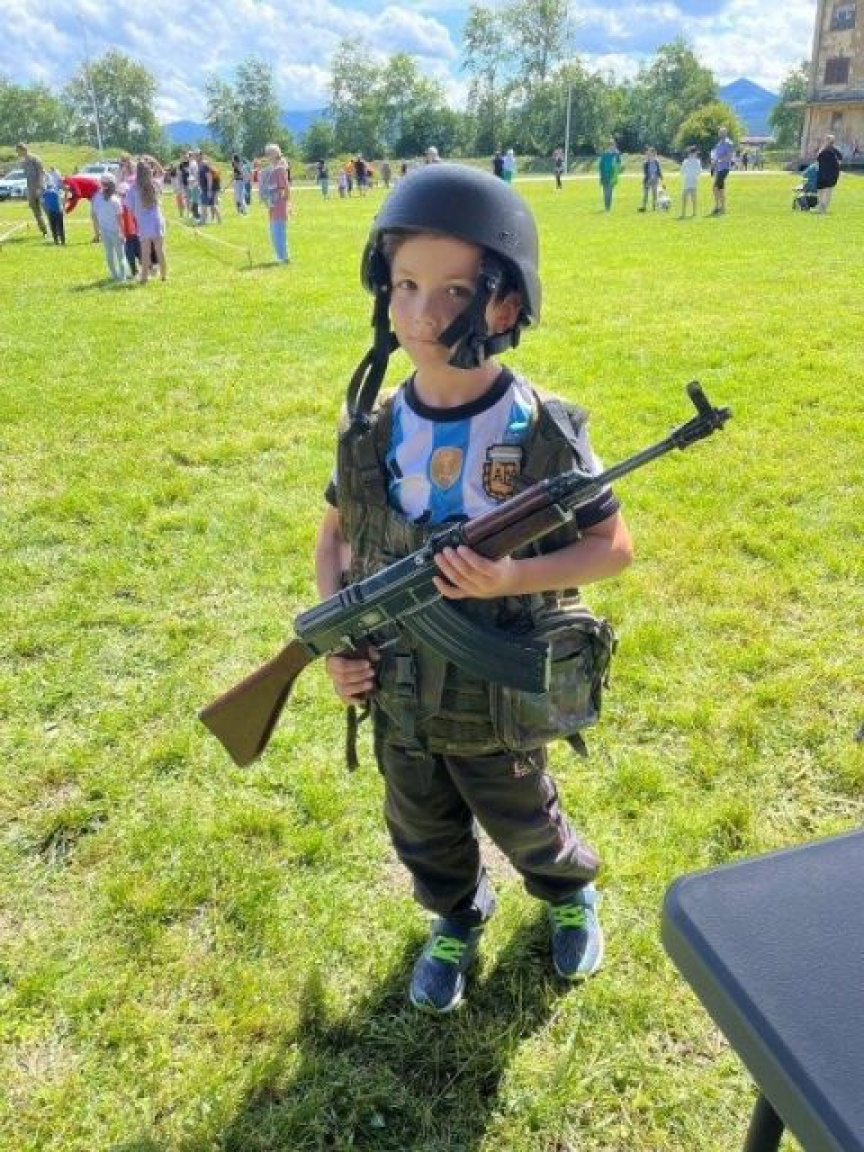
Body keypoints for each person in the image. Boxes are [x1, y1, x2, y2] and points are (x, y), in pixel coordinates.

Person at [316, 165, 633, 1014]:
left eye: (454, 289)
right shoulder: (376, 426)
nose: (422, 312)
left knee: (523, 811)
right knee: (420, 823)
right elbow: (337, 536)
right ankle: (455, 916)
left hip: (499, 692)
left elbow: (612, 547)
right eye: (405, 284)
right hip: (398, 688)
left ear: (504, 304)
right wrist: (339, 647)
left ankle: (568, 895)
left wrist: (512, 575)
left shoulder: (540, 427)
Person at [126, 160, 167, 282]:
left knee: (145, 252)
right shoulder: (155, 183)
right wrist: (153, 161)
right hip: (157, 220)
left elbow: (129, 208)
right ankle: (164, 276)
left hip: (143, 223)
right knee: (160, 250)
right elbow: (162, 173)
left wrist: (134, 221)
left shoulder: (133, 188)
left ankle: (144, 278)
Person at [90, 173, 126, 282]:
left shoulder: (97, 197)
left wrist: (97, 232)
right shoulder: (116, 200)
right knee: (120, 255)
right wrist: (123, 233)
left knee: (109, 254)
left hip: (104, 230)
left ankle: (114, 275)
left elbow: (94, 215)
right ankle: (122, 277)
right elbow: (120, 219)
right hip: (116, 231)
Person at [259, 143, 291, 263]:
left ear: (274, 154)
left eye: (269, 153)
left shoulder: (280, 169)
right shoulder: (272, 169)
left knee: (278, 231)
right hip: (272, 205)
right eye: (266, 153)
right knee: (274, 231)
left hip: (279, 204)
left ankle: (284, 257)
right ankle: (280, 255)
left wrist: (284, 203)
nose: (267, 156)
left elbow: (286, 188)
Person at [16, 143, 48, 238]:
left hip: (40, 188)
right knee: (36, 212)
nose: (17, 153)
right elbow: (26, 177)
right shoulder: (23, 162)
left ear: (23, 150)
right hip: (30, 189)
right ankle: (44, 231)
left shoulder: (35, 159)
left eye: (18, 151)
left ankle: (54, 230)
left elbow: (41, 173)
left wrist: (40, 187)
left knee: (46, 210)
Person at [62, 174, 101, 240]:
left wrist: (66, 211)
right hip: (95, 192)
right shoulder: (69, 181)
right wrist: (67, 200)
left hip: (97, 192)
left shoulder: (70, 182)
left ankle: (98, 236)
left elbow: (77, 196)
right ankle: (98, 235)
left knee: (94, 215)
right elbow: (72, 195)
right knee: (95, 215)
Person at [710, 126, 734, 216]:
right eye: (720, 132)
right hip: (718, 169)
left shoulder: (728, 143)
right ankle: (721, 208)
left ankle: (719, 207)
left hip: (724, 168)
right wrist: (713, 164)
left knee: (715, 187)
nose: (721, 134)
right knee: (720, 189)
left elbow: (729, 157)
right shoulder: (718, 144)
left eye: (723, 132)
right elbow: (715, 156)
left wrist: (718, 160)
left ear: (726, 133)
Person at [815, 133, 843, 213]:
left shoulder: (823, 150)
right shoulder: (833, 151)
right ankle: (822, 207)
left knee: (824, 191)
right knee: (825, 191)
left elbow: (817, 162)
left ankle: (822, 208)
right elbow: (839, 163)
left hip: (825, 174)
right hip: (828, 174)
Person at [597, 138, 621, 211]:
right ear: (608, 146)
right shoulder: (604, 155)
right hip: (604, 176)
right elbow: (600, 166)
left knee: (609, 192)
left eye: (613, 145)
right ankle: (606, 207)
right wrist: (601, 176)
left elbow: (619, 165)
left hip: (612, 176)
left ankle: (608, 208)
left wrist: (617, 154)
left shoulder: (616, 155)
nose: (612, 147)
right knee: (605, 192)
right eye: (611, 145)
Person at [679, 145, 702, 219]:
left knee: (686, 197)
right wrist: (695, 175)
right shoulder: (696, 161)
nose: (696, 154)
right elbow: (699, 172)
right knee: (692, 197)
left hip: (688, 180)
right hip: (692, 180)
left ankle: (684, 213)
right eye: (696, 153)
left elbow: (682, 172)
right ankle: (693, 212)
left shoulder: (686, 161)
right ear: (693, 153)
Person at [42, 179, 65, 246]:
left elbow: (43, 203)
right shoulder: (57, 191)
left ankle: (56, 241)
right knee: (60, 227)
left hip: (51, 212)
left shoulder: (45, 193)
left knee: (53, 227)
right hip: (59, 211)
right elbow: (62, 200)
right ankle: (63, 241)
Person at [639, 147, 662, 212]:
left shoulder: (656, 162)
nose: (649, 154)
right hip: (647, 180)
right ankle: (644, 207)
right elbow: (645, 172)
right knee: (645, 194)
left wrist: (660, 177)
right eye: (649, 153)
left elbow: (658, 170)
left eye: (652, 153)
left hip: (655, 179)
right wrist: (649, 177)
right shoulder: (646, 163)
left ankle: (654, 207)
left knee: (654, 194)